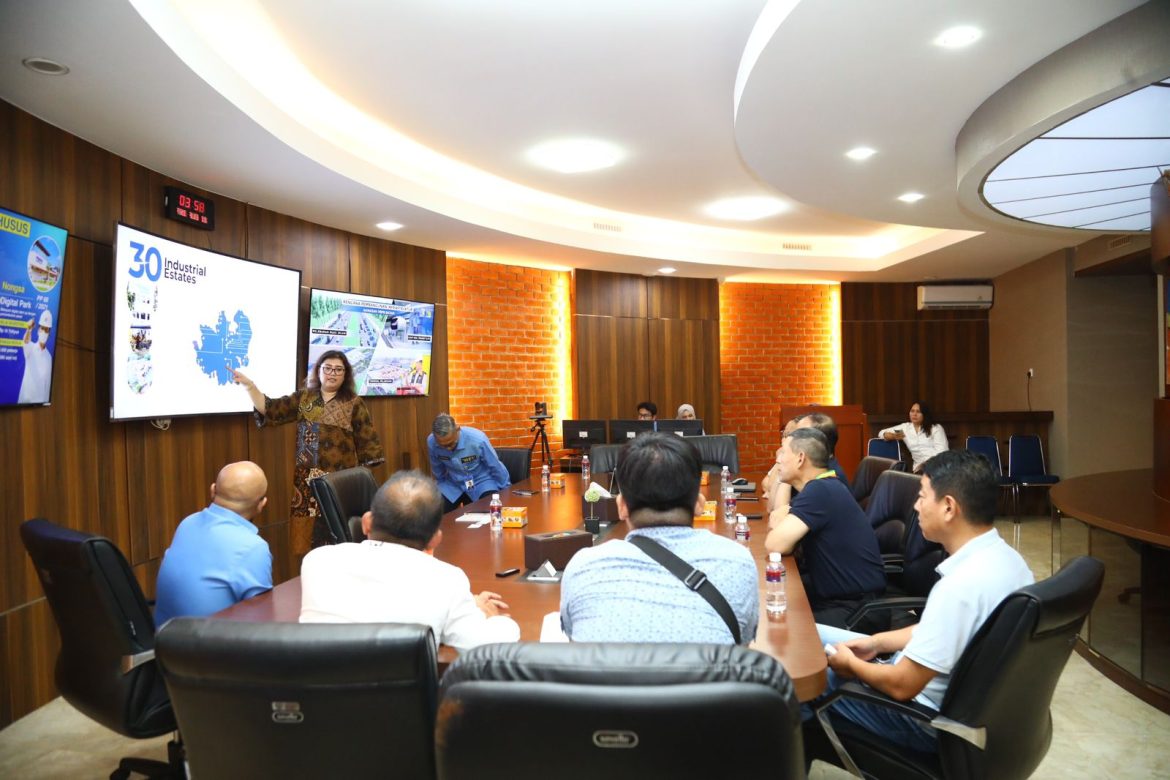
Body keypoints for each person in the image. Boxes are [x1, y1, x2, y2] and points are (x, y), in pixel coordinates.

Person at [806, 449, 1034, 756]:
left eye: (922, 496)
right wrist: (876, 642)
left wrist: (852, 666)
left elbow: (901, 685)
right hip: (928, 691)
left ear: (949, 507)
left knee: (794, 675)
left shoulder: (960, 587)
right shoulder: (1011, 562)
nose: (916, 506)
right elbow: (943, 628)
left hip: (917, 719)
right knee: (804, 636)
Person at [560, 432, 758, 644]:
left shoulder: (583, 567)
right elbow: (740, 647)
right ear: (700, 504)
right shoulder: (737, 562)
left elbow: (575, 642)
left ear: (621, 506)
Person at [299, 470, 520, 650]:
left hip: (318, 692)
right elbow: (487, 646)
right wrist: (489, 617)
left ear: (367, 523)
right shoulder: (447, 581)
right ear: (435, 539)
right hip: (394, 693)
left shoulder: (317, 562)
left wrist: (462, 605)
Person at [232, 351, 385, 555]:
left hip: (338, 484)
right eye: (327, 368)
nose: (332, 373)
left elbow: (370, 447)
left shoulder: (354, 403)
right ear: (319, 371)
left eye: (338, 370)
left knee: (340, 544)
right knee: (309, 547)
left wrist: (358, 489)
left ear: (345, 374)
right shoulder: (305, 399)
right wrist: (249, 385)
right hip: (306, 485)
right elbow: (270, 409)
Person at [765, 428, 885, 627]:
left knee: (780, 628)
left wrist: (780, 525)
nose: (778, 459)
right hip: (837, 598)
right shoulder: (823, 486)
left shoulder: (820, 491)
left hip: (856, 611)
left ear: (800, 458)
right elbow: (783, 544)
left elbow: (774, 545)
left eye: (783, 452)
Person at [154, 461, 272, 626]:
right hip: (212, 640)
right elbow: (261, 620)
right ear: (261, 504)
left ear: (212, 490)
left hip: (165, 637)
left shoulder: (187, 523)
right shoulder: (253, 547)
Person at [427, 413, 510, 512]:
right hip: (453, 483)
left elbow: (495, 466)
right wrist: (439, 491)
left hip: (481, 482)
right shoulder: (431, 442)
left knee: (489, 511)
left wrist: (506, 490)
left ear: (457, 429)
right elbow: (437, 469)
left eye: (451, 443)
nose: (448, 448)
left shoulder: (478, 439)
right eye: (443, 446)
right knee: (434, 510)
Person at [879, 401, 948, 472]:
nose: (914, 414)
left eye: (918, 412)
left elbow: (943, 452)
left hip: (937, 467)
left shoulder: (935, 428)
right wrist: (892, 436)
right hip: (918, 470)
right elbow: (881, 433)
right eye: (912, 411)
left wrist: (925, 464)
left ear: (925, 414)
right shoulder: (905, 429)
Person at [17, 309, 53, 404]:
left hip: (39, 405)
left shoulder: (48, 357)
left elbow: (47, 384)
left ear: (49, 333)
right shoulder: (31, 348)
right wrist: (29, 330)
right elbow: (25, 342)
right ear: (38, 330)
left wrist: (45, 404)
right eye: (42, 328)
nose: (44, 332)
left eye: (46, 330)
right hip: (24, 402)